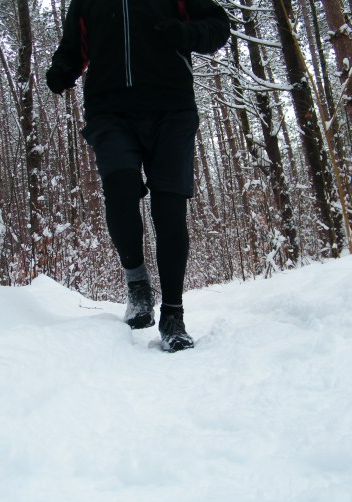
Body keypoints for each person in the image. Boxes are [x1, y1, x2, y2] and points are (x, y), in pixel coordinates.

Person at [46, 0, 230, 352]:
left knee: (169, 207)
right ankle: (137, 285)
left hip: (171, 107)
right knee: (120, 189)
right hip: (110, 110)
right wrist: (63, 69)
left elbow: (217, 26)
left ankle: (173, 315)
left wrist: (185, 33)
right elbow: (74, 47)